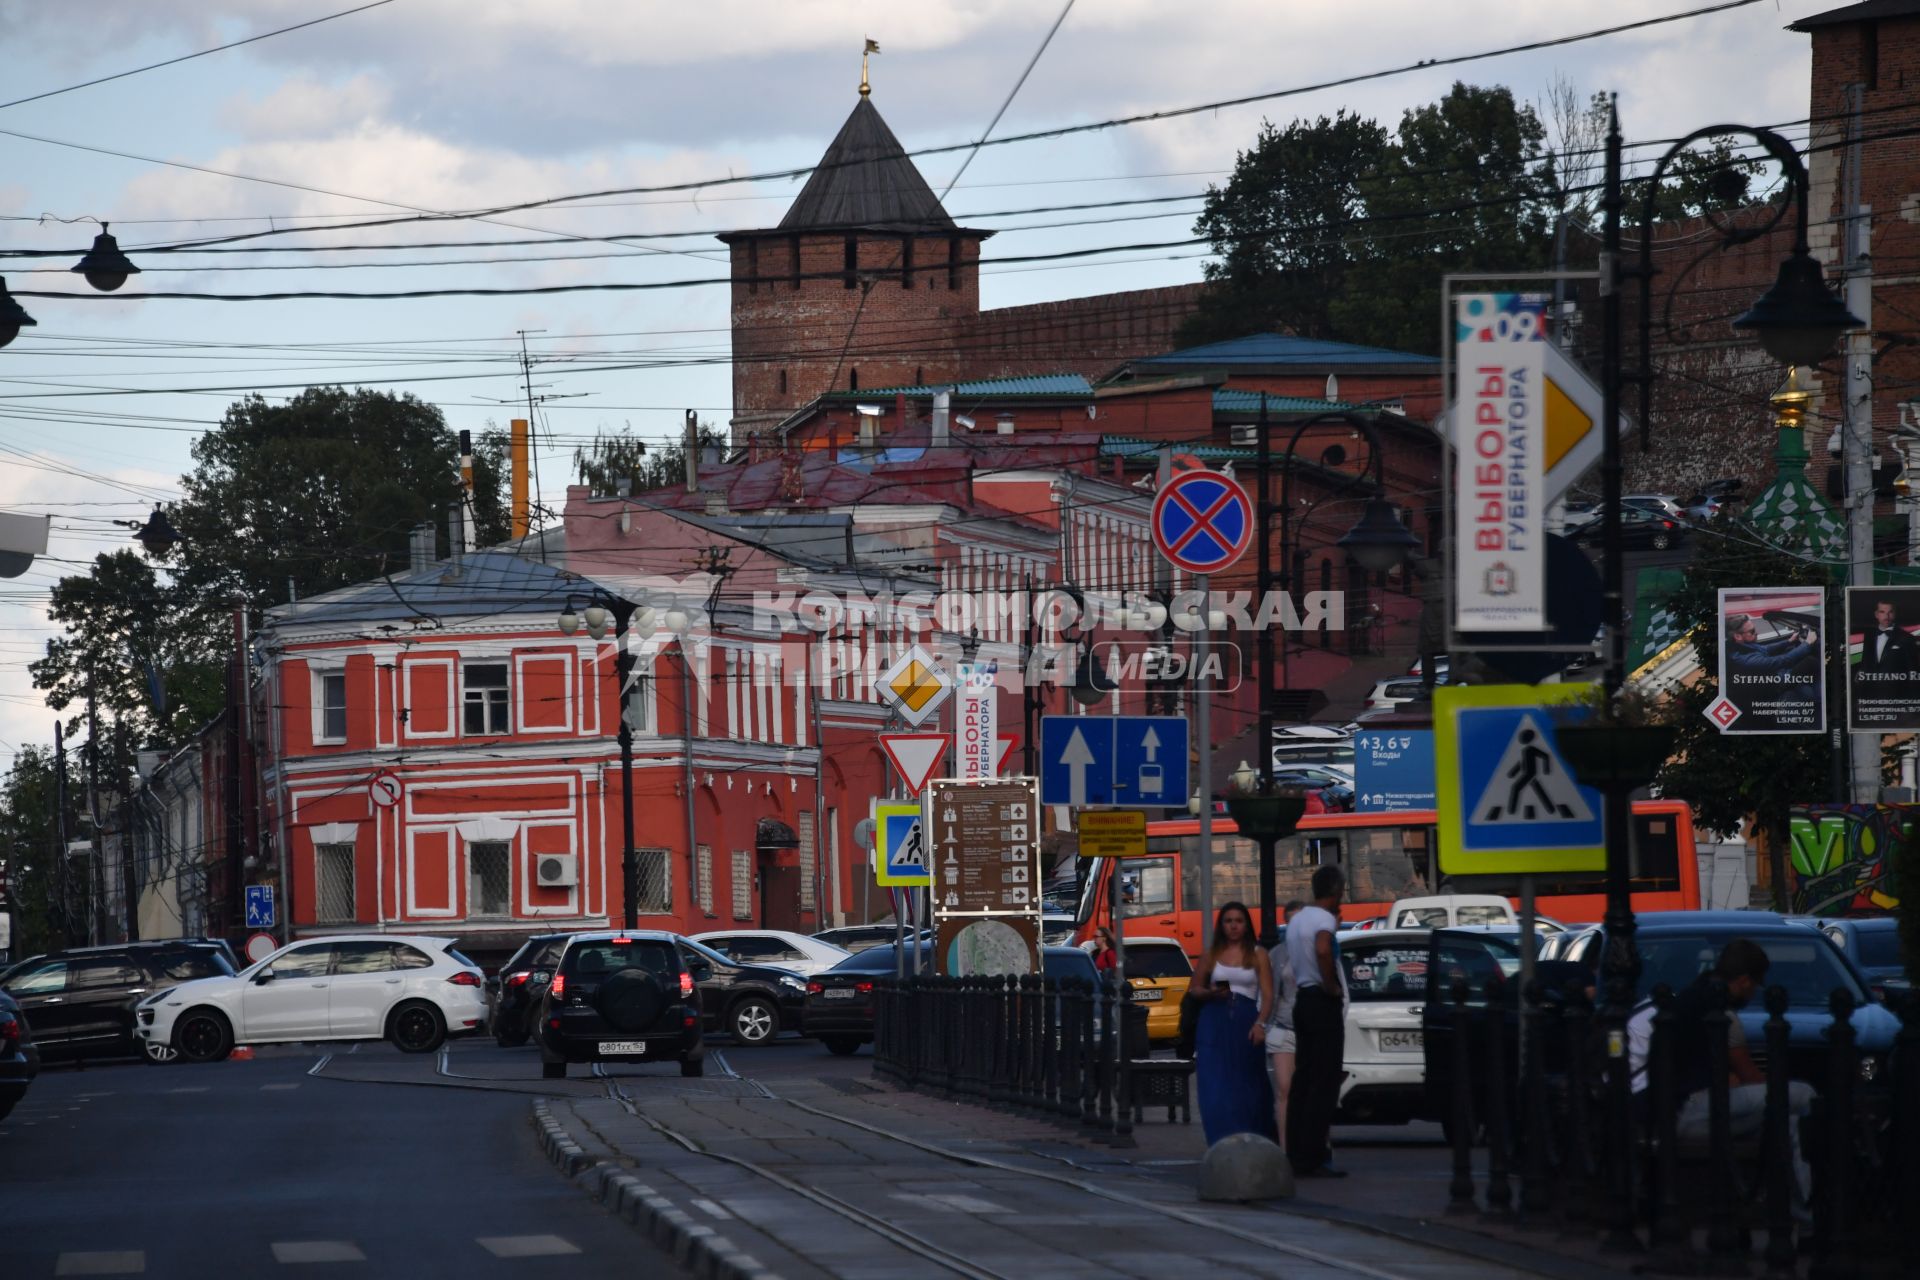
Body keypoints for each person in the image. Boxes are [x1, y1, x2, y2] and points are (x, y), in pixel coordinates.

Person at [1626, 939, 1815, 1201]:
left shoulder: (1693, 996)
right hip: (1688, 1108)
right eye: (1754, 986)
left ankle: (1805, 1214)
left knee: (1791, 1123)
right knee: (1804, 1094)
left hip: (1675, 1110)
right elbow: (1729, 1074)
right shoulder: (1714, 1007)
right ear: (1744, 981)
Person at [1191, 901, 1275, 1145]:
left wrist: (1261, 1023)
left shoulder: (1258, 954)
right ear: (1222, 925)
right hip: (1214, 1020)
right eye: (1228, 921)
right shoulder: (1212, 953)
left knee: (1247, 1084)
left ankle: (1251, 1138)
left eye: (1238, 921)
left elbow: (1268, 995)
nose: (1234, 926)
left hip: (1245, 1021)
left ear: (1246, 924)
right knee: (1215, 1085)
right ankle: (1220, 1140)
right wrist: (1210, 993)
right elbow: (1194, 988)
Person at [1286, 864, 1348, 1177]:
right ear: (1336, 890)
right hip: (1321, 1002)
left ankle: (1295, 1151)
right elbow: (1324, 950)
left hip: (1302, 1001)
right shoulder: (1324, 919)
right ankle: (1313, 1155)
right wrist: (1332, 986)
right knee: (1325, 1082)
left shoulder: (1298, 920)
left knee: (1303, 1080)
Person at [1266, 900, 1305, 1150]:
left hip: (1311, 1030)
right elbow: (1268, 993)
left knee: (1311, 1092)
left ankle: (1317, 1147)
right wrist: (1264, 1025)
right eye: (1291, 922)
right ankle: (1285, 1147)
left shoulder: (1319, 950)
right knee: (1284, 1090)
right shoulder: (1277, 954)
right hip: (1283, 1028)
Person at [1858, 599, 1917, 674]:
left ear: (1895, 614)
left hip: (1896, 684)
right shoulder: (1869, 635)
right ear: (1876, 614)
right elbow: (1865, 664)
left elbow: (1913, 670)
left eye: (1890, 612)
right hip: (1872, 684)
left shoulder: (1907, 638)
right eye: (1882, 612)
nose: (1887, 616)